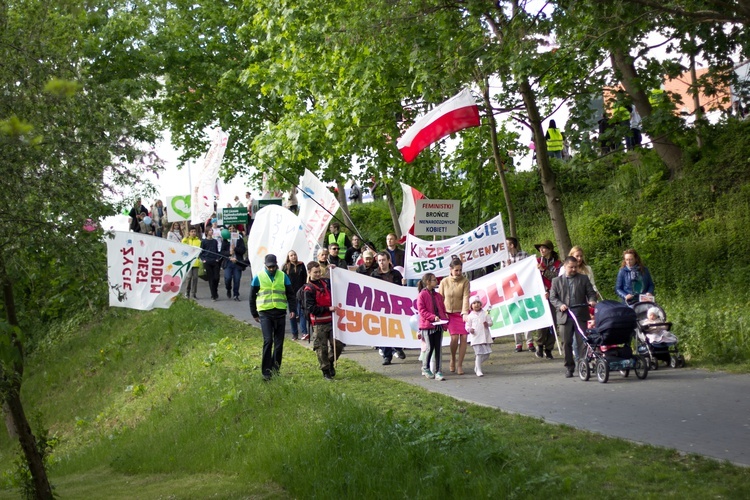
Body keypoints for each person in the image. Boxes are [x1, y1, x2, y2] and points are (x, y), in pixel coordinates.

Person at [249, 254, 296, 381]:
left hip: (280, 312)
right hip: (265, 313)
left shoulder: (283, 276)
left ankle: (275, 369)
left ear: (276, 265)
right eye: (269, 267)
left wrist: (293, 310)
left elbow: (291, 294)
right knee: (268, 341)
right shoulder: (258, 277)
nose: (271, 269)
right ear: (265, 265)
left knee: (279, 344)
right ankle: (266, 371)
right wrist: (254, 313)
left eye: (273, 266)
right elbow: (252, 296)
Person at [550, 256, 597, 378]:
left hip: (580, 313)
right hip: (565, 315)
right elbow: (553, 297)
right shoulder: (556, 281)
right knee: (567, 342)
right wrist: (560, 305)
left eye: (575, 267)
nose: (574, 269)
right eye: (571, 267)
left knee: (582, 341)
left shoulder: (583, 279)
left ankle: (583, 365)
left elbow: (591, 293)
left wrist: (592, 300)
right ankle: (569, 367)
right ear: (565, 267)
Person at [304, 261, 345, 380]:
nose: (317, 274)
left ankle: (330, 361)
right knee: (322, 348)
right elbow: (311, 308)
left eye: (319, 272)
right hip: (319, 323)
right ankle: (325, 370)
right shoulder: (308, 289)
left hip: (332, 321)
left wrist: (333, 270)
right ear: (309, 273)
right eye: (315, 272)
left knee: (338, 344)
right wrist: (328, 309)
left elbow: (337, 282)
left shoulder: (325, 282)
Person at [371, 252, 406, 365]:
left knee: (396, 328)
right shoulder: (374, 275)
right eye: (380, 260)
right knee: (383, 331)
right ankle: (387, 356)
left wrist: (404, 285)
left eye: (384, 260)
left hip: (395, 306)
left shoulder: (396, 274)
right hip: (381, 307)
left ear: (388, 261)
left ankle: (398, 348)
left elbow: (402, 290)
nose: (382, 262)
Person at [502, 237, 534, 353]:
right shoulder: (504, 259)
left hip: (524, 288)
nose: (504, 246)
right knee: (515, 315)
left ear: (512, 245)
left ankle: (530, 341)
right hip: (512, 291)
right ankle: (518, 343)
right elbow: (502, 276)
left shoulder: (524, 255)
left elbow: (528, 269)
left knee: (526, 313)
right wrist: (507, 266)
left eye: (506, 244)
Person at [438, 258, 470, 375]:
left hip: (461, 313)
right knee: (454, 338)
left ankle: (460, 364)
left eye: (460, 270)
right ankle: (452, 357)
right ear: (450, 270)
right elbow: (440, 298)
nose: (458, 273)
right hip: (449, 313)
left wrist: (465, 312)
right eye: (456, 270)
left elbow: (466, 297)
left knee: (464, 338)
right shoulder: (444, 282)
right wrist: (442, 312)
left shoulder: (465, 281)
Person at [416, 273, 448, 381]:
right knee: (429, 348)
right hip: (427, 326)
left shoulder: (438, 296)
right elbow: (422, 311)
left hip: (438, 326)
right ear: (428, 282)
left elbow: (442, 310)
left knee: (438, 348)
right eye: (434, 280)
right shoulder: (422, 295)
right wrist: (433, 317)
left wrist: (444, 322)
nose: (436, 282)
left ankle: (438, 371)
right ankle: (425, 367)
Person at [533, 239, 561, 359]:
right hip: (540, 295)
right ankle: (539, 345)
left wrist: (544, 271)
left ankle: (549, 348)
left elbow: (557, 278)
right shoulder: (536, 262)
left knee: (553, 322)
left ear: (550, 250)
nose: (541, 250)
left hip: (554, 295)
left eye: (544, 248)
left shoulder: (558, 264)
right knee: (542, 322)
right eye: (540, 248)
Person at [465, 295, 494, 377]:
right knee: (479, 354)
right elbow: (467, 325)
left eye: (478, 302)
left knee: (487, 354)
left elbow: (491, 323)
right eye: (474, 303)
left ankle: (477, 366)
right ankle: (479, 370)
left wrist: (487, 324)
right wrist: (470, 329)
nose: (476, 304)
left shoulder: (485, 313)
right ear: (471, 305)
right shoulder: (470, 316)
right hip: (476, 337)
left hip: (485, 337)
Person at [283, 250, 307, 341]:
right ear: (288, 257)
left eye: (294, 255)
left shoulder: (301, 265)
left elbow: (305, 277)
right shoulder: (286, 267)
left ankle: (304, 332)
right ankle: (295, 333)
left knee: (302, 312)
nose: (293, 256)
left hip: (300, 292)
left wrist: (305, 289)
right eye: (291, 255)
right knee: (293, 313)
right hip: (291, 294)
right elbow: (283, 279)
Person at [220, 226, 247, 301]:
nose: (231, 230)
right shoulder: (225, 240)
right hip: (228, 262)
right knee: (228, 278)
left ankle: (236, 295)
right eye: (230, 229)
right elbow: (222, 252)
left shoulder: (239, 238)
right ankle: (228, 289)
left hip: (237, 262)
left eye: (233, 229)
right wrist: (229, 253)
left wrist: (235, 249)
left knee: (237, 279)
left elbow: (243, 250)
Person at [200, 227, 221, 301]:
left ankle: (215, 290)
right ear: (206, 232)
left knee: (216, 277)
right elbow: (201, 252)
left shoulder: (215, 241)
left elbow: (216, 251)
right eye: (209, 230)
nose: (211, 231)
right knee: (211, 279)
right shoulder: (204, 241)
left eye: (212, 230)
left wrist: (217, 258)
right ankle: (213, 295)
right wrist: (203, 259)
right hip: (207, 261)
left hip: (214, 261)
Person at [181, 226, 202, 299]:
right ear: (189, 233)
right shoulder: (187, 240)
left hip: (195, 262)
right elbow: (182, 245)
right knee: (189, 277)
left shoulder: (198, 241)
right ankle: (187, 292)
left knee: (195, 278)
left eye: (194, 231)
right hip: (188, 262)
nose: (193, 233)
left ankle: (194, 293)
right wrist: (186, 238)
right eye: (192, 231)